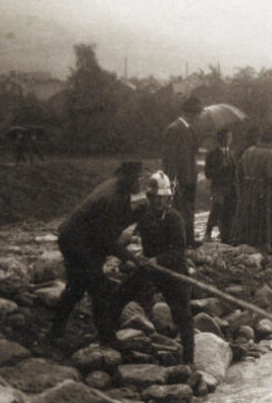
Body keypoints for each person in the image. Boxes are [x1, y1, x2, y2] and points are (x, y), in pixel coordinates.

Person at [49, 161, 143, 344]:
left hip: (80, 240)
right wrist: (130, 258)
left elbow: (117, 220)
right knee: (98, 290)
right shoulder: (112, 197)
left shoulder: (117, 187)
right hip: (77, 244)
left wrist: (138, 213)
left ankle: (55, 331)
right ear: (129, 178)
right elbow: (106, 239)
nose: (139, 182)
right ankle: (107, 339)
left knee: (76, 288)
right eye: (137, 178)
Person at [113, 171, 194, 365]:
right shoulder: (144, 215)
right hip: (149, 268)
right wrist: (125, 249)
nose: (159, 202)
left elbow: (178, 251)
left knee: (183, 316)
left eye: (162, 198)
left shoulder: (175, 219)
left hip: (173, 272)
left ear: (168, 199)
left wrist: (158, 260)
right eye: (155, 198)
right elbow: (126, 230)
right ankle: (110, 340)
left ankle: (189, 361)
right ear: (149, 197)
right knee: (119, 296)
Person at [161, 96, 203, 247]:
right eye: (198, 113)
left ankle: (189, 240)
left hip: (190, 178)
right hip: (180, 179)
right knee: (178, 211)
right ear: (190, 113)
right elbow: (169, 160)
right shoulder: (174, 129)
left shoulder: (189, 129)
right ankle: (180, 242)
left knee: (188, 210)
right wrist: (172, 180)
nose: (199, 117)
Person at [233, 129, 272, 254]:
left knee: (248, 214)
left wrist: (244, 185)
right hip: (263, 190)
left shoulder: (248, 151)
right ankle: (264, 244)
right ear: (271, 141)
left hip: (248, 189)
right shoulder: (269, 154)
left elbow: (238, 171)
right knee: (264, 216)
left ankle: (247, 241)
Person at [203, 129, 238, 243]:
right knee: (217, 207)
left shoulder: (231, 153)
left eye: (230, 138)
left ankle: (226, 235)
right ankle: (208, 232)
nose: (228, 140)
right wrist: (220, 168)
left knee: (230, 211)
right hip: (218, 187)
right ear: (220, 139)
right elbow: (208, 174)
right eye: (226, 138)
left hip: (231, 187)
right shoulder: (212, 154)